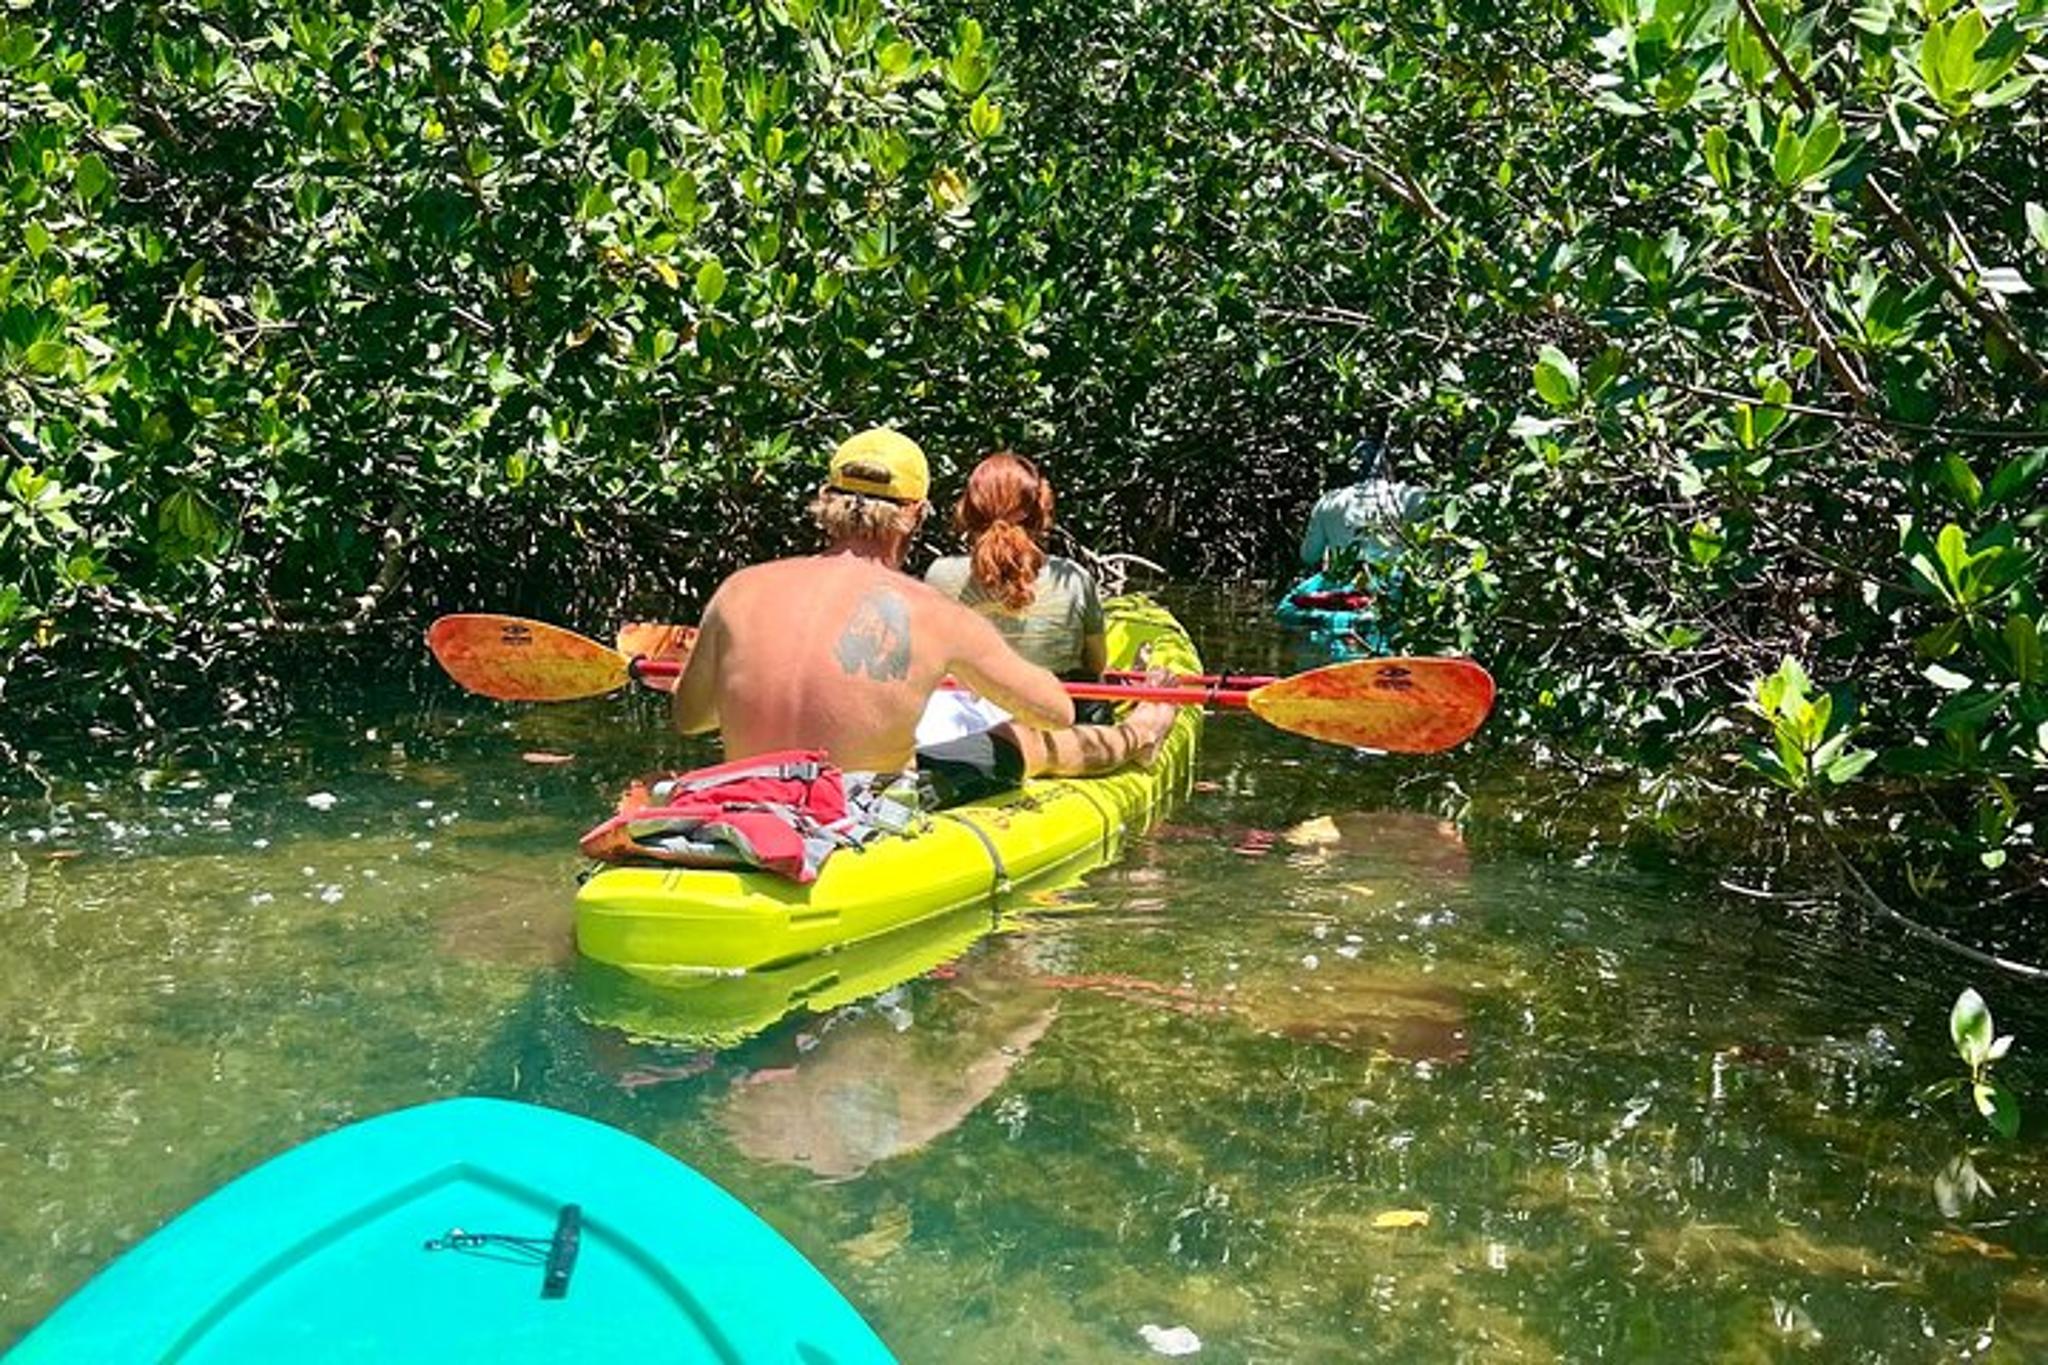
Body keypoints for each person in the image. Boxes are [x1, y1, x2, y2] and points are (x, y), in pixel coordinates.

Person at [670, 429, 1172, 807]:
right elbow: (1057, 712)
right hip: (860, 805)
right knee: (1022, 740)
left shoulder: (739, 589)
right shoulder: (932, 612)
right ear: (915, 513)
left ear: (826, 502)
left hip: (747, 790)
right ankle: (1143, 736)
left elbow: (689, 718)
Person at [924, 450, 1177, 777]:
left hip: (965, 709)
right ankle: (1140, 731)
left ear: (967, 510)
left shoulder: (938, 574)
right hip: (1055, 717)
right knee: (1091, 684)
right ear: (1040, 512)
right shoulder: (1071, 577)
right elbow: (1095, 666)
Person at [1299, 436, 1428, 575]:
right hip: (1393, 587)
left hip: (1343, 586)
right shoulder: (1408, 495)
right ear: (1386, 465)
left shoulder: (1328, 501)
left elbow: (1309, 555)